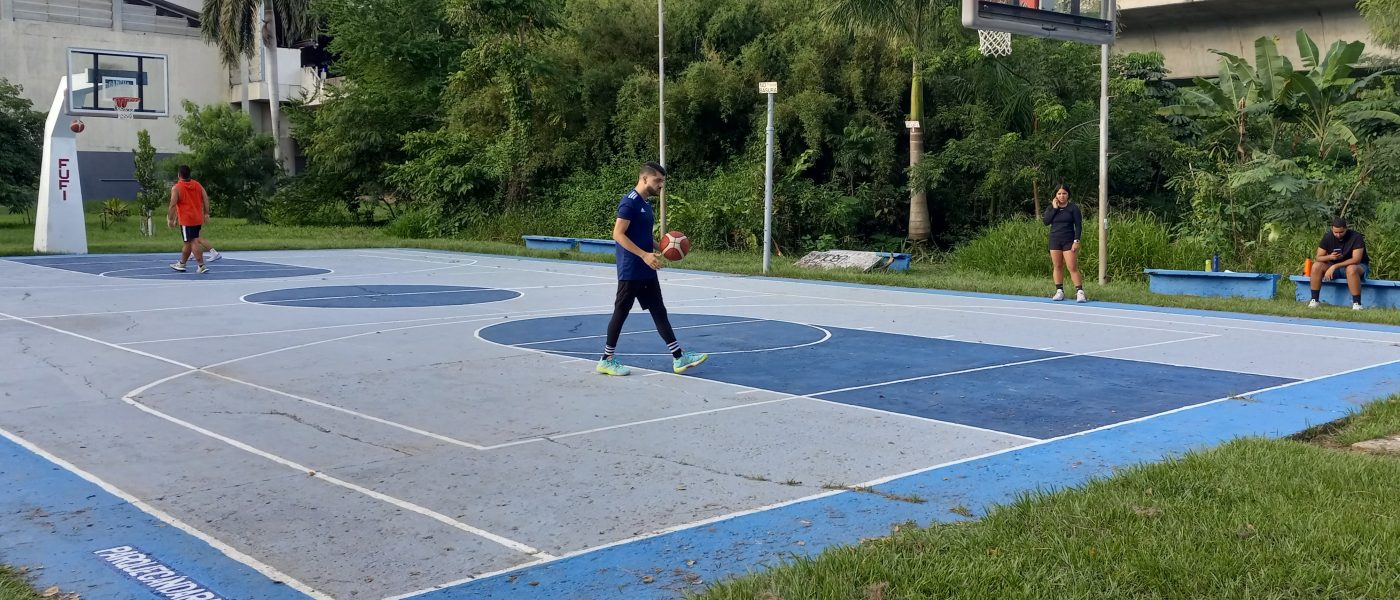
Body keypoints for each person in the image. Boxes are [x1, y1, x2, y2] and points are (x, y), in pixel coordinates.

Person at [596, 162, 708, 376]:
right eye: (658, 180)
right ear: (644, 178)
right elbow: (618, 234)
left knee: (658, 310)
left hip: (647, 267)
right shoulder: (629, 203)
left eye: (663, 181)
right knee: (621, 312)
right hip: (631, 268)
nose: (661, 185)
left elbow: (644, 236)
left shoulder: (646, 204)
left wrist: (664, 247)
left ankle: (679, 357)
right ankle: (606, 360)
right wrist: (644, 255)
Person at [1308, 217, 1369, 310]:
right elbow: (1318, 257)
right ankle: (1314, 300)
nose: (1338, 235)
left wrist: (1334, 267)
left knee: (1351, 269)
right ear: (1332, 229)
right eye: (1335, 232)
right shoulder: (1327, 237)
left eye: (1341, 232)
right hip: (1334, 267)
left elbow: (1356, 260)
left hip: (1358, 267)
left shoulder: (1356, 237)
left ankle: (1357, 304)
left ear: (1346, 229)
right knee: (1316, 266)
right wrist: (1330, 257)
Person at [1042, 184, 1085, 302]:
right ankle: (1059, 291)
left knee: (1072, 266)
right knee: (1057, 266)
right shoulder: (1051, 208)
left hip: (1069, 240)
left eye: (1064, 193)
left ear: (1068, 195)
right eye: (1059, 193)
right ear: (1056, 195)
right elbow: (1046, 221)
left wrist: (1076, 241)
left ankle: (1080, 292)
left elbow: (1078, 226)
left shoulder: (1073, 208)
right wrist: (1055, 208)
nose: (1062, 196)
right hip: (1055, 240)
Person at [167, 165, 214, 273]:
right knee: (188, 242)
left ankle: (201, 265)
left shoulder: (177, 187)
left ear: (179, 175)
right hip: (197, 218)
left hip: (187, 219)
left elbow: (173, 205)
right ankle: (182, 263)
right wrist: (206, 213)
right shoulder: (197, 185)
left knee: (193, 241)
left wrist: (170, 219)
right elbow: (205, 198)